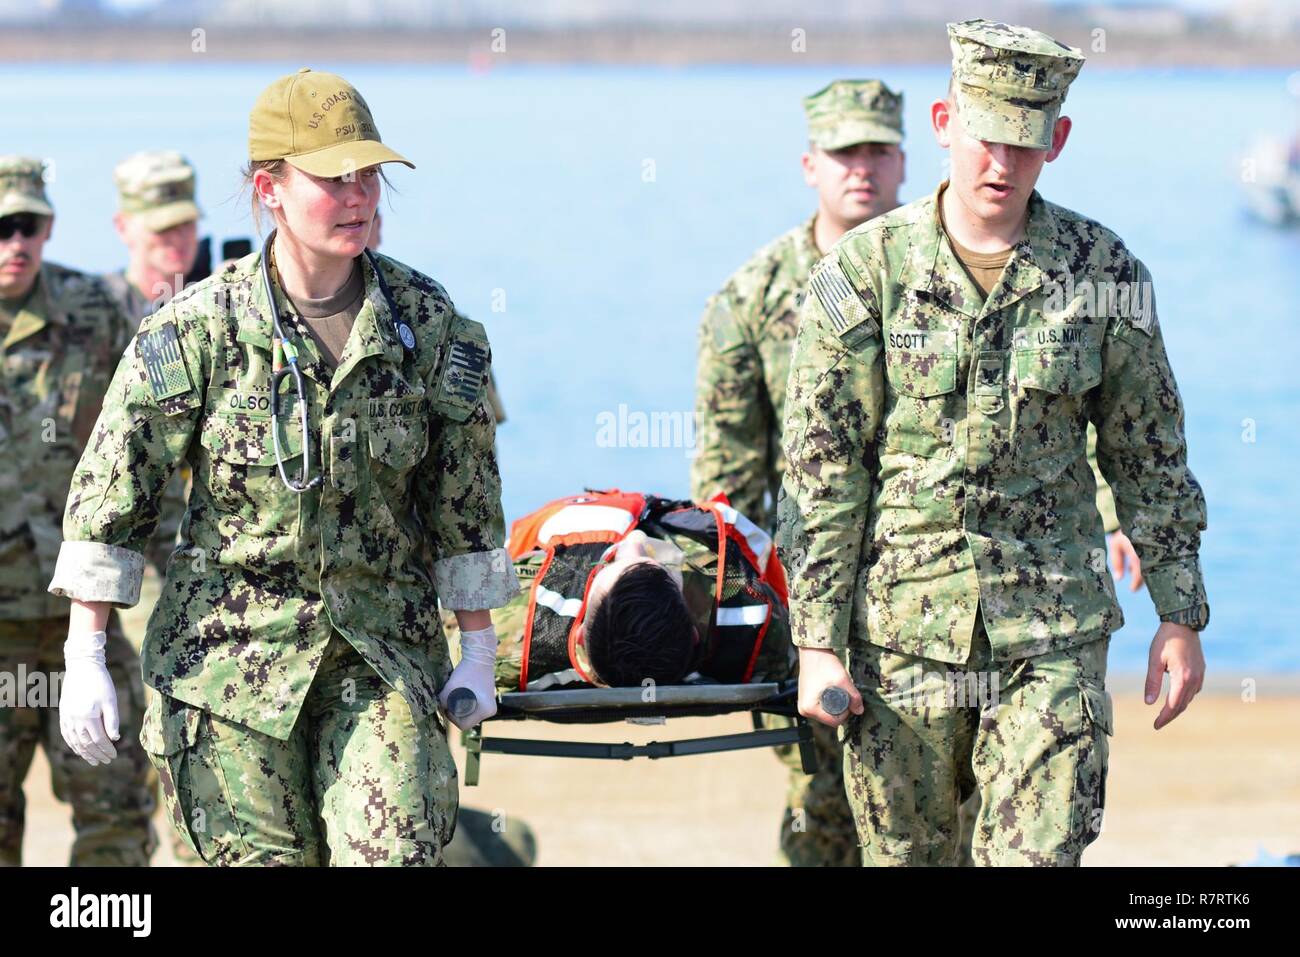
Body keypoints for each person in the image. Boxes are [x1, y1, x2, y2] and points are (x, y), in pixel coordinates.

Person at [48, 68, 519, 867]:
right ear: (269, 187)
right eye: (333, 178)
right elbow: (113, 491)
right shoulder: (197, 329)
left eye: (368, 175)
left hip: (380, 658)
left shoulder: (428, 323)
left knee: (395, 856)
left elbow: (464, 497)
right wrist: (85, 653)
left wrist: (477, 646)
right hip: (227, 667)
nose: (359, 195)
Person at [779, 20, 1209, 867]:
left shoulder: (1103, 272)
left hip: (1054, 630)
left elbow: (1148, 449)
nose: (999, 165)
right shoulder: (866, 273)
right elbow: (824, 473)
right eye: (984, 137)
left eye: (1025, 141)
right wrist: (816, 640)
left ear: (1058, 139)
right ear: (944, 123)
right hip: (904, 635)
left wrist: (1180, 611)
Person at [692, 79, 904, 868]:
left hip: (950, 587)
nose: (863, 169)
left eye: (878, 150)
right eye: (845, 152)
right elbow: (730, 488)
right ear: (810, 163)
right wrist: (737, 617)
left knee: (954, 812)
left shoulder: (959, 268)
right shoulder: (752, 301)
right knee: (827, 812)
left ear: (905, 160)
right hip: (817, 597)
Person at [0, 155, 156, 866]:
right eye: (1, 228)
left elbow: (153, 441)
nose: (15, 244)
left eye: (27, 225)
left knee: (118, 816)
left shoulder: (95, 310)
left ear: (49, 225)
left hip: (80, 625)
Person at [445, 490, 793, 694]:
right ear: (692, 632)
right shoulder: (760, 630)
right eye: (661, 568)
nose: (636, 540)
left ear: (579, 634)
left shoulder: (505, 638)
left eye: (612, 565)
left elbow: (450, 611)